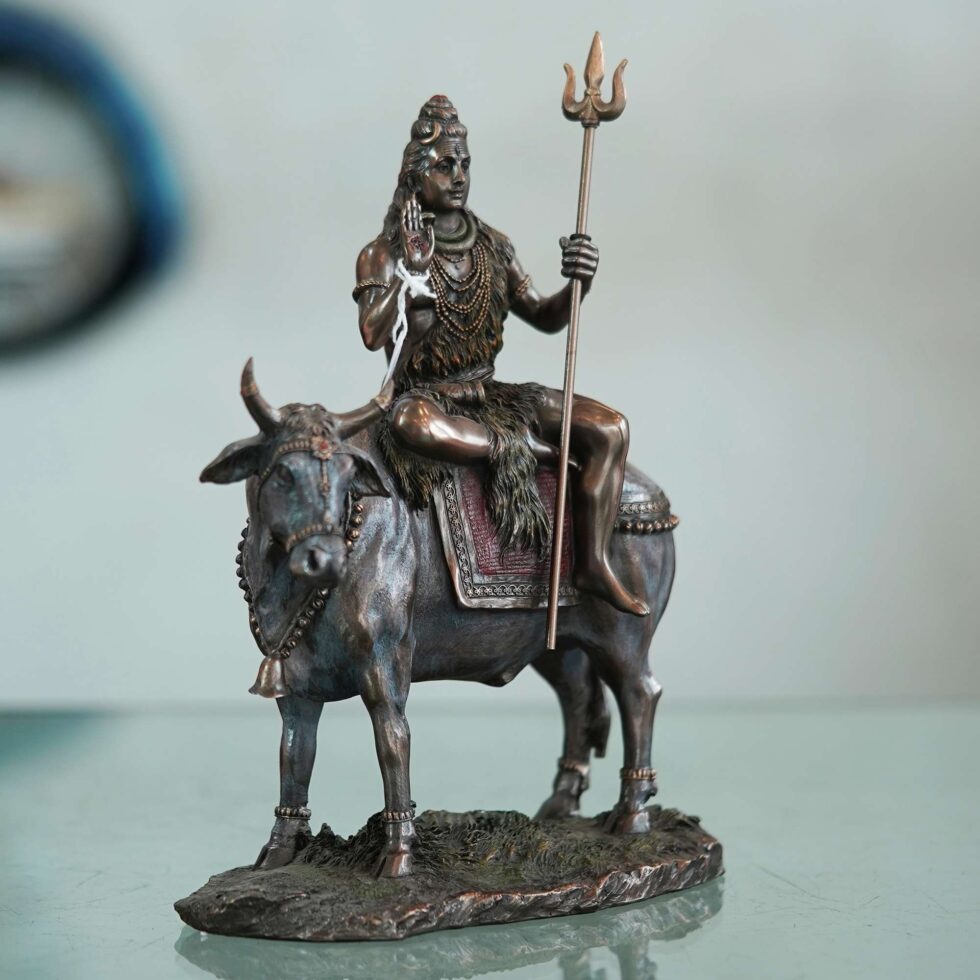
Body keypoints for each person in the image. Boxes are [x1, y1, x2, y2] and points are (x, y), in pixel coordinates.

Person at [353, 95, 647, 616]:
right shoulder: (383, 254)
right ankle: (523, 448)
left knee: (611, 429)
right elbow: (373, 334)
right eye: (445, 166)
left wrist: (578, 283)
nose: (458, 177)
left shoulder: (494, 246)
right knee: (408, 422)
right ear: (416, 175)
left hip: (492, 394)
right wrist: (411, 272)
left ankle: (593, 561)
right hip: (427, 400)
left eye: (464, 165)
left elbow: (547, 316)